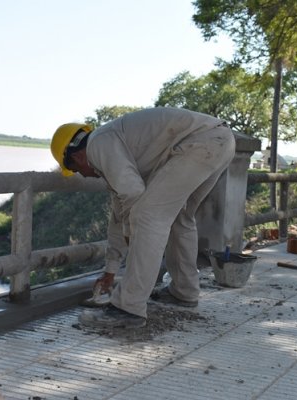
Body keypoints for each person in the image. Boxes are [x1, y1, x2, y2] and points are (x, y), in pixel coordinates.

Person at [50, 107, 236, 329]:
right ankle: (184, 291)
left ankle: (127, 308)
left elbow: (133, 195)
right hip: (220, 141)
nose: (81, 174)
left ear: (76, 155)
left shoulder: (98, 144)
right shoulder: (113, 151)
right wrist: (110, 270)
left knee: (147, 215)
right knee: (178, 217)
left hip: (199, 144)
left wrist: (132, 233)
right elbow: (120, 215)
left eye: (74, 168)